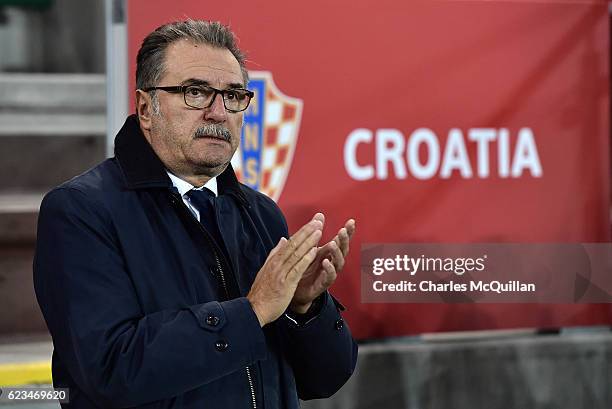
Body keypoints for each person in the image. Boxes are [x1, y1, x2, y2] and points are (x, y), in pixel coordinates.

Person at [33, 20, 357, 409]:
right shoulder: (80, 211)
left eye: (234, 96)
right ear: (145, 108)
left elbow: (322, 380)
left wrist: (305, 309)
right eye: (196, 92)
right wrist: (251, 312)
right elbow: (109, 370)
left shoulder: (261, 214)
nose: (219, 113)